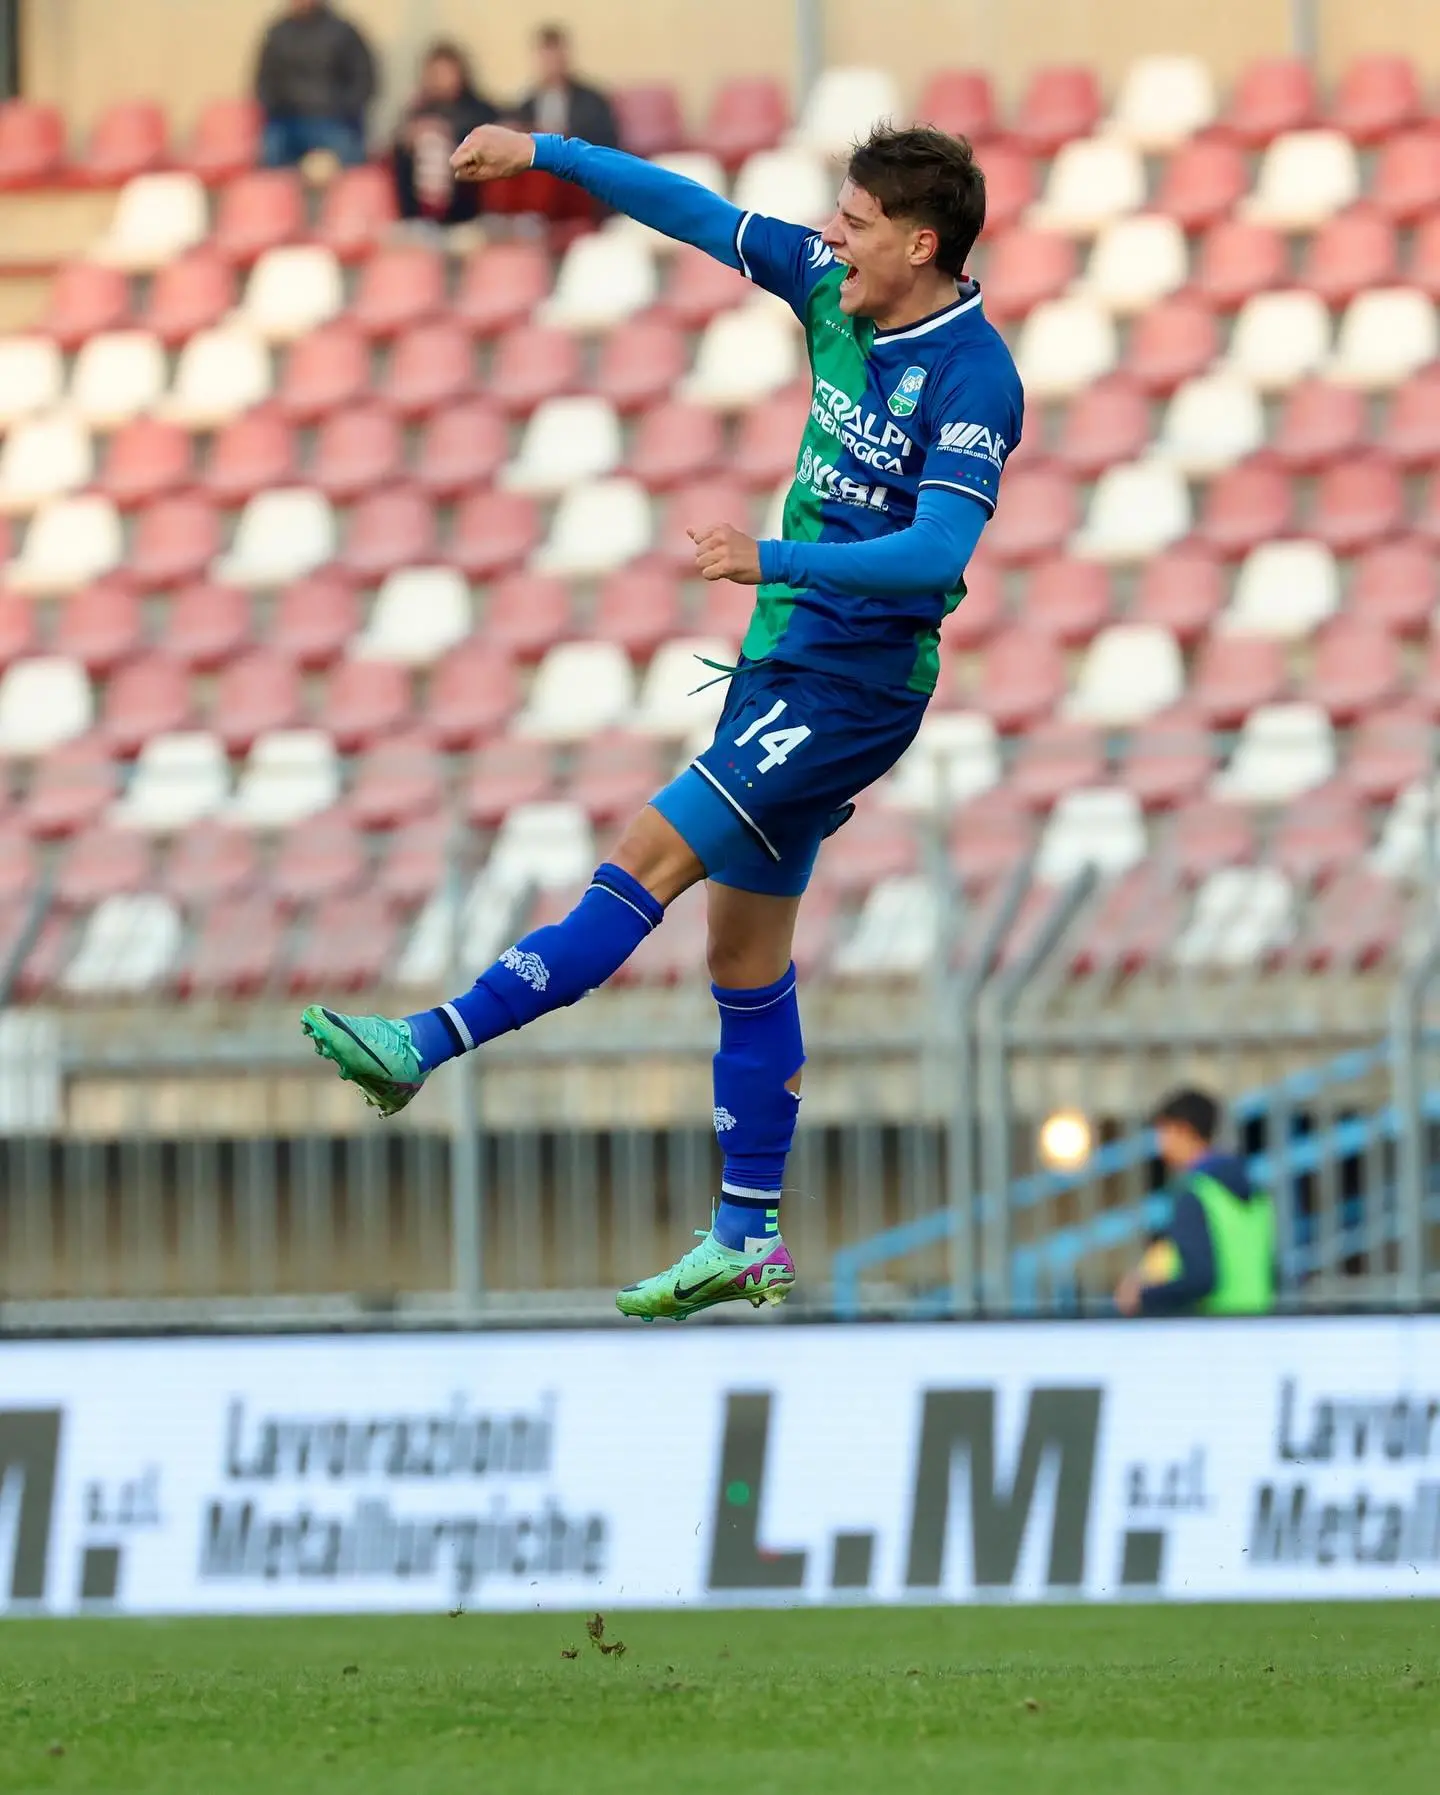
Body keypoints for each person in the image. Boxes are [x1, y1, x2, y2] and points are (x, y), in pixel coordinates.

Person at [301, 118, 1022, 1324]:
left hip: (851, 690)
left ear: (921, 241)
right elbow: (693, 213)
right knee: (744, 960)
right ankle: (747, 1233)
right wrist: (546, 151)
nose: (830, 236)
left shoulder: (975, 376)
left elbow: (941, 549)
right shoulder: (837, 295)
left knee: (643, 857)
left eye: (852, 222)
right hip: (784, 666)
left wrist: (770, 553)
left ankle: (426, 1044)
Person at [1115, 1087, 1277, 1316]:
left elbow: (1201, 1278)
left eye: (1164, 1132)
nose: (1161, 1146)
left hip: (1215, 1336)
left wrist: (1143, 1296)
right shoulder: (1256, 1193)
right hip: (1260, 1328)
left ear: (1184, 1131)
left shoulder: (1196, 1195)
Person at [254, 0, 376, 170]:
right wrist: (276, 108)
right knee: (270, 155)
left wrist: (344, 109)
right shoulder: (278, 35)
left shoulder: (343, 32)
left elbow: (364, 80)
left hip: (334, 120)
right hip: (288, 120)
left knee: (351, 160)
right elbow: (264, 82)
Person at [392, 42, 498, 228]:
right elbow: (395, 140)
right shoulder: (418, 109)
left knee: (437, 145)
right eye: (436, 73)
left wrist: (446, 132)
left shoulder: (476, 107)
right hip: (417, 196)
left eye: (447, 72)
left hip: (465, 194)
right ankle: (420, 220)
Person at [511, 23, 618, 149]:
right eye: (546, 59)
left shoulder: (592, 101)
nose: (551, 65)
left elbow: (607, 143)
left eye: (555, 58)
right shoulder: (527, 106)